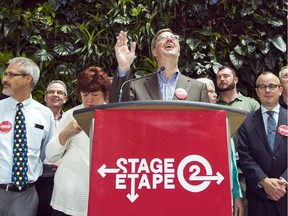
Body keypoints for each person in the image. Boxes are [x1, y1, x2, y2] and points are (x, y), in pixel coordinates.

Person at [45, 66, 111, 216]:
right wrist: (66, 132)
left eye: (95, 94)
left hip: (102, 193)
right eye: (85, 94)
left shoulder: (114, 116)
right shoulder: (71, 115)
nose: (89, 99)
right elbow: (50, 155)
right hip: (69, 194)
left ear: (105, 94)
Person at [0, 57, 54, 216]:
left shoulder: (44, 114)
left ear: (27, 78)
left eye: (11, 75)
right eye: (6, 74)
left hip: (26, 196)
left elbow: (46, 152)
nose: (4, 79)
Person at [109, 29, 210, 103]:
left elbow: (208, 125)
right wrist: (123, 67)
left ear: (179, 51)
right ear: (154, 52)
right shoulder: (136, 86)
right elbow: (118, 110)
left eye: (174, 38)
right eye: (163, 38)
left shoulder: (199, 89)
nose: (170, 39)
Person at [238, 71, 287, 216]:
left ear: (280, 90)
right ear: (256, 92)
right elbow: (245, 158)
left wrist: (284, 181)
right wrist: (264, 181)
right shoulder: (246, 123)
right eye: (262, 86)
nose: (267, 90)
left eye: (272, 86)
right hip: (259, 199)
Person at [215, 65, 260, 216]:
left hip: (247, 168)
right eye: (219, 77)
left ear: (235, 79)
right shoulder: (211, 107)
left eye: (226, 76)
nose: (222, 79)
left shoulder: (251, 104)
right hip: (222, 169)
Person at [198, 77, 244, 216]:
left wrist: (236, 196)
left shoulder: (223, 122)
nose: (215, 95)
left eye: (214, 91)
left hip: (222, 198)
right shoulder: (184, 125)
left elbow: (232, 167)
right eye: (209, 91)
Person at [36, 80, 68, 216]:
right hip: (39, 181)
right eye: (51, 92)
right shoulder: (33, 118)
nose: (55, 95)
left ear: (65, 99)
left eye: (60, 93)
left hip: (62, 181)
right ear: (45, 97)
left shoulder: (71, 119)